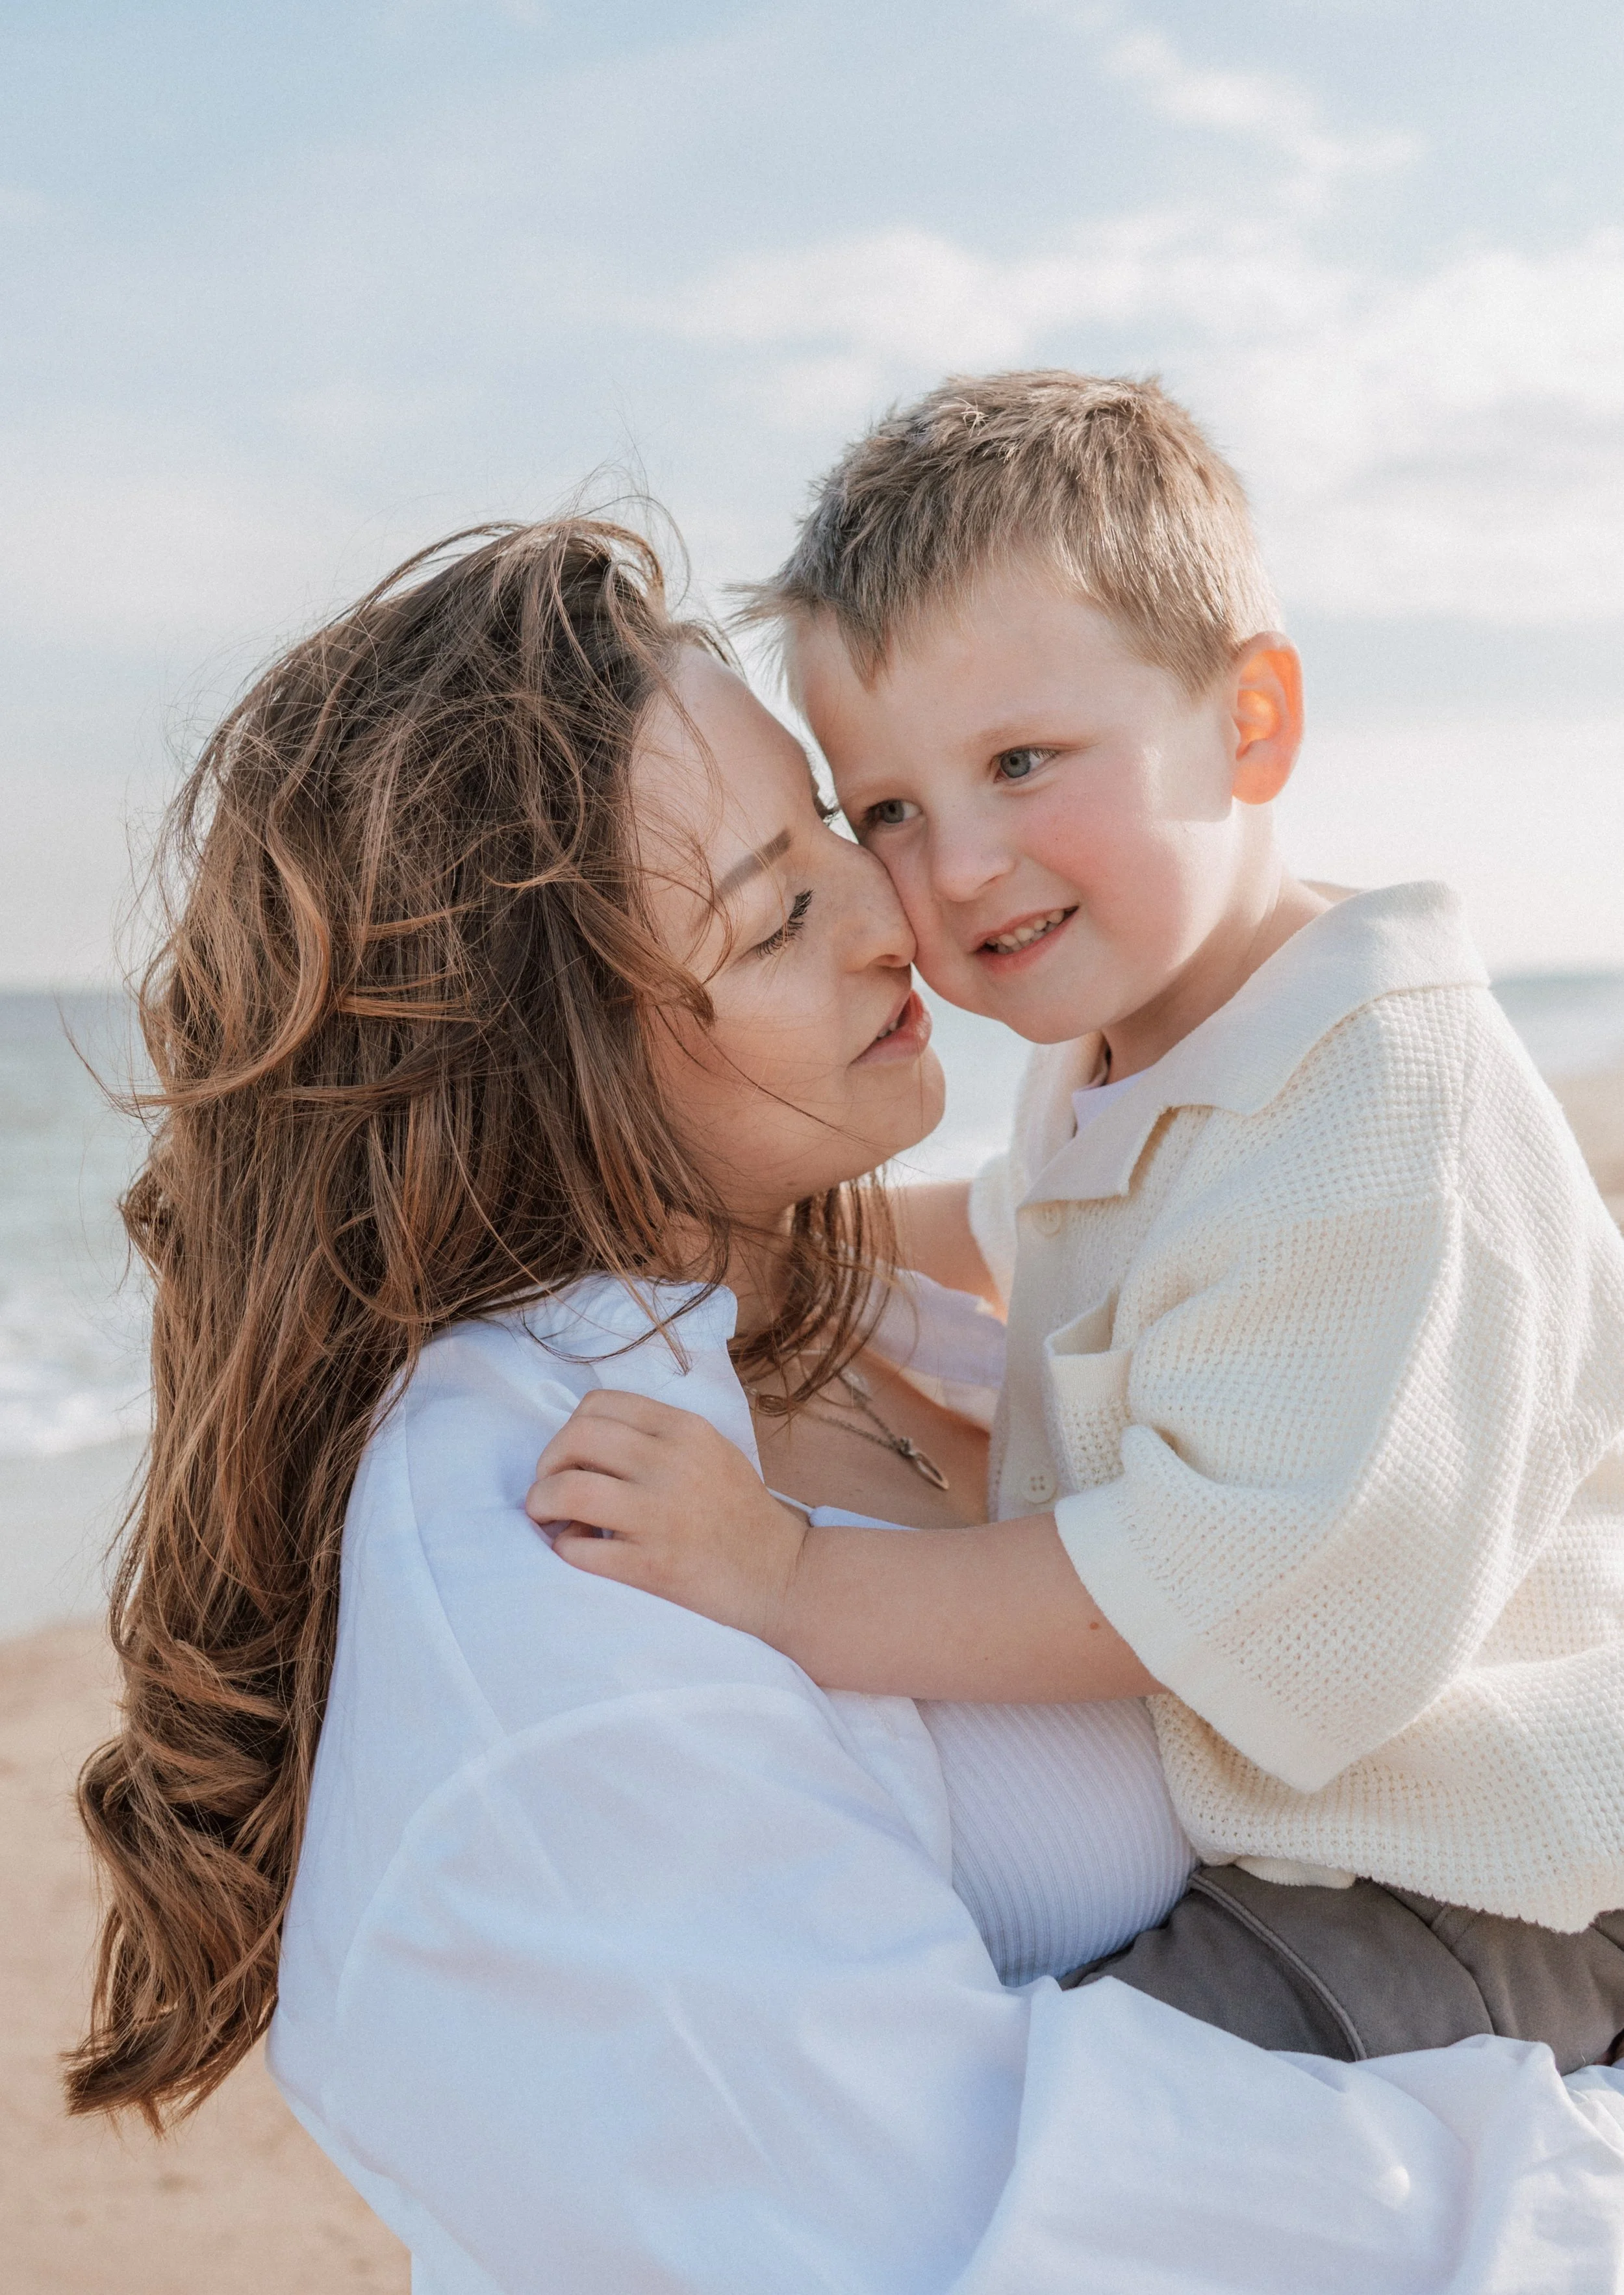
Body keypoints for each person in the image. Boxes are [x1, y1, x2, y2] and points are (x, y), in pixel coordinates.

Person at [68, 516, 1624, 2294]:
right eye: (781, 907)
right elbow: (923, 2226)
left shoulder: (849, 1300)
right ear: (551, 1069)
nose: (902, 913)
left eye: (839, 823)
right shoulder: (541, 1538)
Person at [533, 374, 1624, 2072]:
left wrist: (794, 1575)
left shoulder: (1375, 1118)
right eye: (882, 807)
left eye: (1022, 762)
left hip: (1479, 1860)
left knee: (1090, 2110)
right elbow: (997, 1218)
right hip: (1315, 1833)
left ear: (1248, 724)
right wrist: (698, 1224)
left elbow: (1229, 1584)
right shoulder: (1135, 1047)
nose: (954, 867)